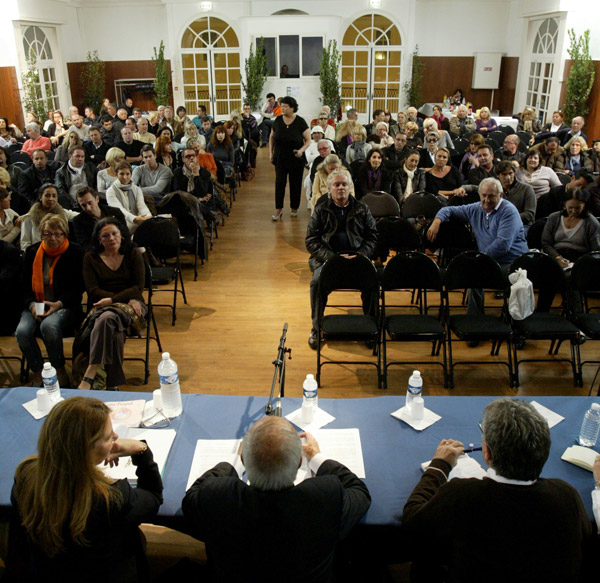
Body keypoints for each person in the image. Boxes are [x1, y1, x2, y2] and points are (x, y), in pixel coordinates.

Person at [402, 398, 592, 583]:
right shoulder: (567, 495)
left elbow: (412, 523)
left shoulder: (462, 494)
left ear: (487, 453)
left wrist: (439, 465)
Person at [182, 415, 370, 582]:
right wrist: (316, 457)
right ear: (298, 462)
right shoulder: (324, 497)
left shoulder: (219, 497)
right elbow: (359, 491)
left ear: (245, 461)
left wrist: (235, 463)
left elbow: (191, 498)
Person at [10, 396, 163, 580]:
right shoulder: (111, 498)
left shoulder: (26, 476)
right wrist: (142, 450)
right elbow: (153, 497)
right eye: (108, 437)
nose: (116, 437)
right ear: (84, 450)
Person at [427, 178, 529, 316]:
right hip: (489, 261)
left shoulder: (509, 211)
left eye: (492, 196)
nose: (487, 200)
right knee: (473, 272)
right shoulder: (476, 208)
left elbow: (502, 245)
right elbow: (448, 210)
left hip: (512, 263)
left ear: (501, 196)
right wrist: (437, 221)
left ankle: (512, 324)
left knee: (475, 269)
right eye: (484, 195)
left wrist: (479, 259)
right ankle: (474, 320)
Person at [305, 169, 378, 348]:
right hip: (328, 260)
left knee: (373, 281)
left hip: (357, 259)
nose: (341, 188)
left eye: (344, 184)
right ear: (329, 188)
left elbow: (373, 237)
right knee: (316, 283)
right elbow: (311, 240)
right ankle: (316, 328)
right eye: (336, 185)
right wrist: (332, 258)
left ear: (350, 187)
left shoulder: (362, 208)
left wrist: (360, 255)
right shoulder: (321, 209)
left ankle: (371, 327)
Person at [78, 217, 146, 390]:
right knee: (112, 328)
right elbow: (93, 291)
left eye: (114, 234)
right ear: (99, 240)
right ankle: (112, 385)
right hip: (106, 307)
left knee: (107, 318)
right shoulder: (90, 259)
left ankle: (92, 370)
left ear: (122, 235)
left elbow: (138, 287)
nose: (111, 239)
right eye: (105, 236)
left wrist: (113, 300)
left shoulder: (133, 254)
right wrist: (123, 298)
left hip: (133, 309)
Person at [16, 213, 83, 387]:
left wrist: (58, 304)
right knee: (22, 331)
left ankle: (58, 368)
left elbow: (78, 288)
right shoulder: (32, 252)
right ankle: (39, 370)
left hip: (63, 305)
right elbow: (23, 286)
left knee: (48, 326)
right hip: (36, 303)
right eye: (47, 234)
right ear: (41, 234)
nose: (53, 238)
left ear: (64, 234)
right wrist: (32, 306)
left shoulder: (75, 252)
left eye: (57, 234)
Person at [269, 95, 310, 221]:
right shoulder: (277, 121)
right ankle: (278, 209)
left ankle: (294, 207)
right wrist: (270, 153)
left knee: (295, 183)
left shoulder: (300, 121)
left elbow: (308, 140)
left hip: (295, 158)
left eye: (286, 107)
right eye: (282, 106)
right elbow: (271, 137)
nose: (283, 109)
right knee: (279, 183)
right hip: (280, 157)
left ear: (292, 108)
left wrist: (301, 151)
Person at [542, 188, 600, 267]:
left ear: (584, 206)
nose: (573, 211)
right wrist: (557, 258)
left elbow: (596, 250)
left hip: (581, 260)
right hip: (555, 256)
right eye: (570, 208)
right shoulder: (554, 218)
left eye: (577, 208)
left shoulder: (591, 222)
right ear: (565, 205)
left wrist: (580, 263)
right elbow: (546, 243)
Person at [20, 183, 78, 251]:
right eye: (47, 195)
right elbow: (25, 243)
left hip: (61, 252)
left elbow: (80, 216)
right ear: (40, 197)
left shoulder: (63, 213)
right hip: (38, 253)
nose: (51, 199)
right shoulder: (29, 218)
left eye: (54, 196)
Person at [73, 186, 127, 252]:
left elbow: (125, 234)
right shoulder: (78, 221)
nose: (88, 208)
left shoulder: (115, 212)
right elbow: (85, 245)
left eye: (90, 203)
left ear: (97, 199)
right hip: (98, 254)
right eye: (83, 205)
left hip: (120, 249)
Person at [105, 161, 151, 232]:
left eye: (127, 174)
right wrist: (134, 219)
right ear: (116, 175)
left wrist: (147, 216)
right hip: (121, 222)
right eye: (121, 174)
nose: (125, 177)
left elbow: (141, 206)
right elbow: (119, 210)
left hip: (138, 219)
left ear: (131, 174)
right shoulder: (110, 191)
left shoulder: (136, 189)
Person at [55, 145, 98, 209]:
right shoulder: (61, 172)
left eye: (82, 157)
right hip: (71, 203)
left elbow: (96, 185)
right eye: (77, 156)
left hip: (90, 201)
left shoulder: (91, 168)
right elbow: (61, 191)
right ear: (70, 156)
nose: (80, 159)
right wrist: (72, 203)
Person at [496, 161, 536, 228]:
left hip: (522, 225)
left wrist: (509, 218)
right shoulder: (494, 190)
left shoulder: (526, 189)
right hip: (500, 225)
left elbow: (529, 214)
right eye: (504, 174)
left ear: (514, 173)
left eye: (510, 173)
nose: (508, 177)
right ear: (498, 175)